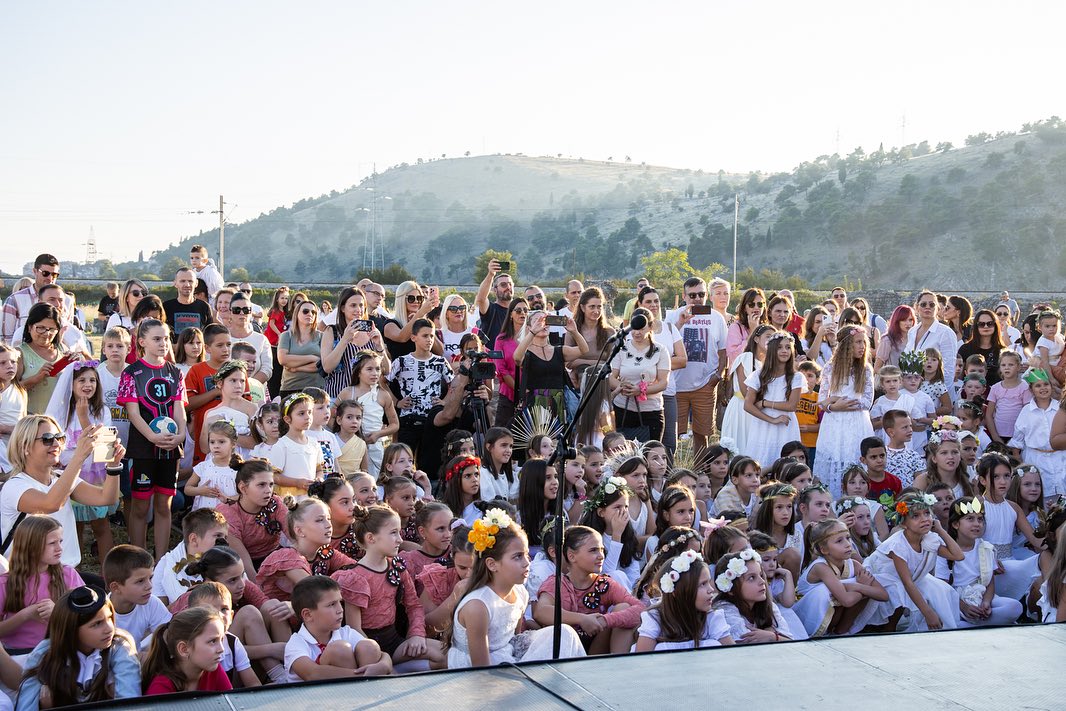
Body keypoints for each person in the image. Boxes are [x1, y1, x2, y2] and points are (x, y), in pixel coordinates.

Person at [446, 509, 584, 667]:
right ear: (492, 564)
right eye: (517, 557)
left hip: (506, 654)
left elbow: (514, 640)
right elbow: (481, 670)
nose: (527, 563)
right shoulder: (478, 606)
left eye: (526, 554)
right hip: (476, 670)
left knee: (564, 633)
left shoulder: (520, 592)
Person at [0, 415, 124, 568]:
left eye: (59, 437)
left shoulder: (61, 477)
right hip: (29, 575)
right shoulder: (14, 486)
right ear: (24, 446)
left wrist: (113, 466)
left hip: (66, 572)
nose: (56, 444)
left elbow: (107, 498)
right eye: (47, 439)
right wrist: (79, 456)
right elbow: (51, 504)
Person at [15, 587, 140, 710]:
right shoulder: (44, 653)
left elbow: (130, 703)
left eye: (109, 618)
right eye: (97, 624)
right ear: (71, 629)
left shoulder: (119, 646)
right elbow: (25, 706)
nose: (109, 629)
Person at [534, 526, 644, 654]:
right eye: (593, 550)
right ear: (571, 556)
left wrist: (605, 620)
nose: (601, 556)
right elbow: (540, 612)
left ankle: (619, 662)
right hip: (565, 652)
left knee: (623, 607)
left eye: (602, 550)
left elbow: (641, 609)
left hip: (595, 651)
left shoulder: (604, 584)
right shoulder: (556, 582)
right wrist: (581, 619)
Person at [865, 492, 964, 631]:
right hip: (881, 579)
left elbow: (958, 555)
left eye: (927, 513)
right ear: (903, 523)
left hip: (908, 580)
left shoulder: (929, 539)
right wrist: (928, 613)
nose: (924, 519)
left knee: (940, 590)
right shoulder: (898, 545)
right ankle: (888, 630)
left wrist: (940, 530)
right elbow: (907, 583)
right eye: (916, 516)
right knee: (898, 592)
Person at [0, 516, 83, 655]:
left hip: (58, 650)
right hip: (17, 654)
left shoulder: (68, 574)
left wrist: (58, 612)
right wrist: (25, 615)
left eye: (60, 541)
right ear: (31, 547)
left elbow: (87, 615)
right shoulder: (5, 583)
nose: (59, 548)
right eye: (52, 543)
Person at [284, 575, 391, 682]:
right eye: (331, 604)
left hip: (357, 685)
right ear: (307, 615)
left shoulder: (346, 633)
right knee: (339, 649)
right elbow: (312, 674)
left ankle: (365, 689)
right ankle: (364, 686)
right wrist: (366, 676)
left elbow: (380, 653)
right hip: (314, 692)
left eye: (340, 602)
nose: (340, 609)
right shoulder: (296, 643)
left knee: (369, 646)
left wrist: (384, 665)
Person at [667, 277, 728, 453]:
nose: (697, 299)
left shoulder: (716, 318)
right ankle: (670, 468)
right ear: (684, 296)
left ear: (706, 295)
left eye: (701, 294)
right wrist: (680, 323)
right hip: (676, 385)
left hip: (705, 384)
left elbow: (723, 351)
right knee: (672, 435)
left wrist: (718, 376)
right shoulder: (673, 316)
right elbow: (665, 346)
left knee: (702, 435)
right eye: (692, 295)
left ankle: (700, 468)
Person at [814, 325, 874, 498]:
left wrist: (839, 401)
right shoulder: (830, 368)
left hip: (857, 423)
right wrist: (833, 405)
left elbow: (867, 401)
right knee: (834, 457)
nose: (862, 346)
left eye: (864, 342)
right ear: (847, 345)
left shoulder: (865, 369)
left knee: (855, 458)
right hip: (834, 423)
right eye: (858, 342)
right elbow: (822, 400)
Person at [634, 549, 734, 650]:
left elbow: (732, 654)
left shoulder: (711, 618)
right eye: (703, 584)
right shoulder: (655, 619)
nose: (711, 590)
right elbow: (644, 658)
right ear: (677, 591)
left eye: (708, 582)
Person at [743, 333, 805, 468]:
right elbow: (747, 405)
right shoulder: (759, 375)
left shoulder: (796, 377)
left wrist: (765, 403)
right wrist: (772, 420)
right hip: (763, 425)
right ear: (772, 350)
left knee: (786, 463)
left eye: (788, 347)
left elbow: (792, 405)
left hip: (785, 426)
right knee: (760, 463)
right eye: (780, 347)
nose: (784, 351)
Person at [610, 308, 670, 443]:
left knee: (650, 451)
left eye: (641, 329)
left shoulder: (660, 350)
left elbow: (663, 382)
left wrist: (641, 390)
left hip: (651, 411)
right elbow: (611, 377)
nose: (637, 332)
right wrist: (623, 387)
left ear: (650, 327)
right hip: (623, 409)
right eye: (634, 328)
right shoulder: (621, 348)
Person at [143, 606, 231, 694]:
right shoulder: (161, 688)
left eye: (221, 639)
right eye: (212, 641)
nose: (221, 649)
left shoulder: (214, 671)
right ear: (184, 649)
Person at [321, 287, 388, 398]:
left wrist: (379, 346)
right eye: (353, 305)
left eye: (361, 305)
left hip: (367, 398)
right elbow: (327, 367)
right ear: (343, 308)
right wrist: (344, 340)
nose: (358, 309)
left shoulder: (372, 331)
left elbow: (386, 370)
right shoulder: (332, 331)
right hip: (338, 397)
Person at [102, 544, 172, 648]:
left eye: (150, 578)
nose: (149, 586)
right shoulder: (101, 615)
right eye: (140, 581)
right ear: (116, 587)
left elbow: (169, 635)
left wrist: (150, 653)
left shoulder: (151, 602)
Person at [2, 254, 71, 346]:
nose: (50, 278)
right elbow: (7, 338)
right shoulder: (15, 300)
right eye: (45, 273)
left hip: (56, 352)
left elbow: (69, 333)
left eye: (54, 274)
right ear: (35, 271)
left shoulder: (67, 300)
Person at [905, 291, 959, 386]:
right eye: (923, 304)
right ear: (916, 307)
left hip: (936, 389)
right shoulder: (912, 331)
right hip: (912, 387)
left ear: (937, 308)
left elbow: (949, 369)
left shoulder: (945, 332)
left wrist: (943, 392)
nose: (927, 307)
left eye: (932, 304)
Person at [491, 298, 528, 429]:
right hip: (508, 394)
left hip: (530, 394)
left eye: (525, 310)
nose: (522, 313)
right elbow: (501, 369)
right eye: (518, 310)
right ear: (511, 314)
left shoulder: (533, 338)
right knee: (502, 433)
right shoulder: (501, 339)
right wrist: (520, 390)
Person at [226, 291, 271, 385]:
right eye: (237, 310)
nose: (242, 313)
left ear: (251, 313)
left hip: (255, 390)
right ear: (230, 312)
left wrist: (248, 386)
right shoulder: (221, 339)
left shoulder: (261, 339)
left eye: (246, 310)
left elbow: (267, 369)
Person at [958, 308, 1007, 386]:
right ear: (976, 326)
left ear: (995, 325)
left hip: (997, 392)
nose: (986, 326)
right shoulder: (965, 349)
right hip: (970, 391)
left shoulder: (1003, 351)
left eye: (990, 323)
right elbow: (959, 378)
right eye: (981, 324)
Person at [163, 268, 213, 341]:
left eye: (190, 281)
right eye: (182, 281)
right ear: (175, 283)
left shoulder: (204, 307)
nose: (187, 285)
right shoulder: (166, 307)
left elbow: (209, 334)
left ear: (196, 283)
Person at [474, 260, 513, 347]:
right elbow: (481, 298)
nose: (508, 287)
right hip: (493, 354)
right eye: (503, 285)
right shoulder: (491, 309)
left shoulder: (519, 310)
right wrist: (491, 274)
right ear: (495, 289)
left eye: (510, 284)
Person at [874, 305, 915, 372]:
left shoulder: (915, 339)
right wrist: (891, 376)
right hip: (891, 377)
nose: (908, 323)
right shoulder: (887, 340)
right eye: (904, 320)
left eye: (910, 320)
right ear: (897, 321)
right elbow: (877, 368)